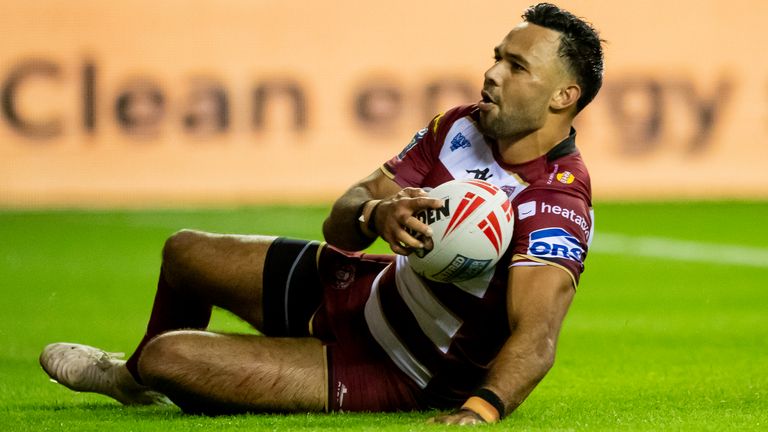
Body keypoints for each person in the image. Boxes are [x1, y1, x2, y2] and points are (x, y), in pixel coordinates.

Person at [39, 2, 603, 425]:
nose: (493, 74)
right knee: (184, 250)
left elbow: (537, 337)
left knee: (170, 356)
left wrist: (480, 410)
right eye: (496, 57)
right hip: (362, 290)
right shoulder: (461, 126)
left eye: (517, 66)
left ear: (562, 97)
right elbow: (340, 221)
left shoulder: (556, 202)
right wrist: (376, 214)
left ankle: (139, 371)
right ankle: (132, 380)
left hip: (399, 367)